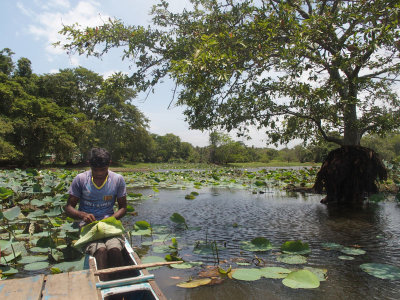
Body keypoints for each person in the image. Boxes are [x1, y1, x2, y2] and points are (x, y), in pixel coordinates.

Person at [65, 148, 127, 281]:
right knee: (101, 250)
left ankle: (119, 286)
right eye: (95, 170)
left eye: (103, 170)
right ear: (89, 164)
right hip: (88, 226)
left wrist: (112, 218)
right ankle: (103, 285)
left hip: (109, 224)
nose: (99, 173)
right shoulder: (80, 179)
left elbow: (123, 208)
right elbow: (68, 207)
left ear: (109, 164)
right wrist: (82, 215)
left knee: (115, 249)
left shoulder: (117, 179)